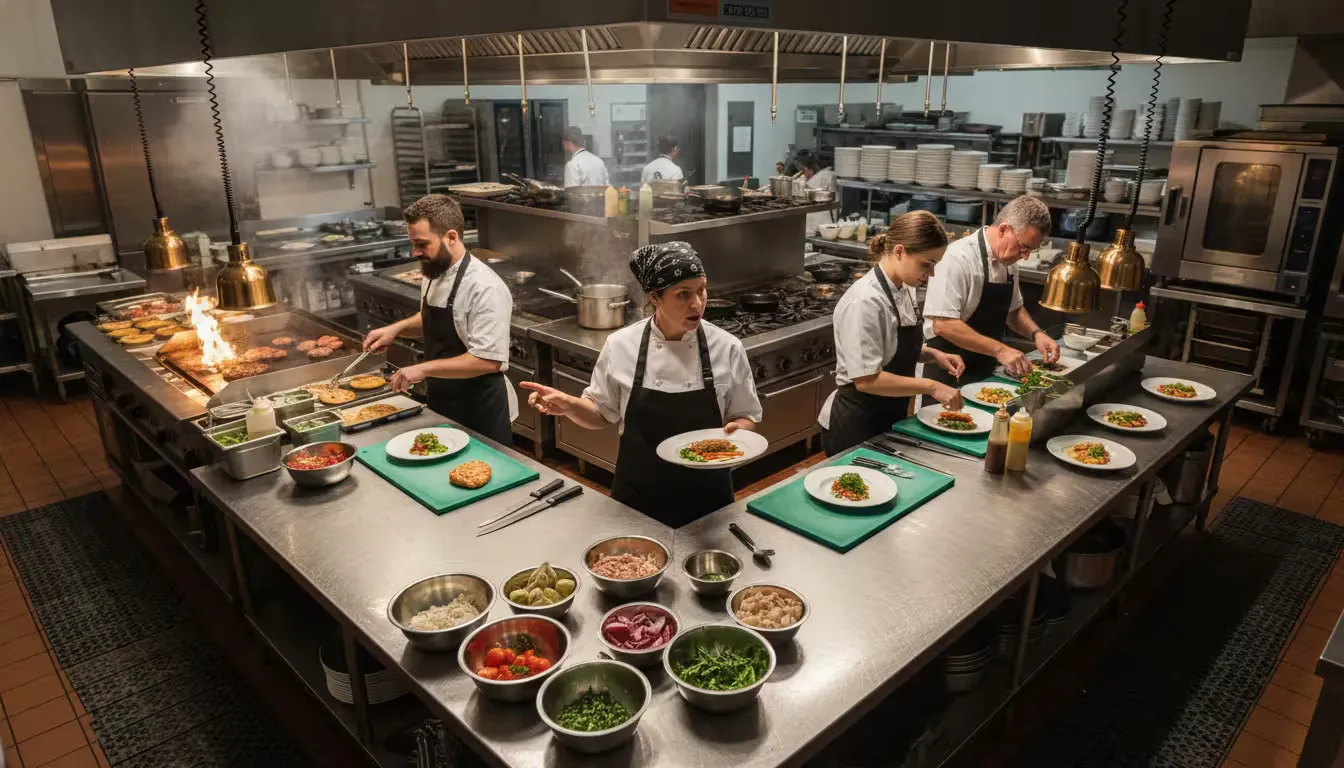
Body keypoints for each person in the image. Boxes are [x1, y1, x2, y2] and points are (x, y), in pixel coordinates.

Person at [521, 242, 761, 527]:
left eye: (701, 290)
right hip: (636, 498)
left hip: (710, 498)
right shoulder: (622, 345)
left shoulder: (727, 347)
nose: (697, 303)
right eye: (683, 294)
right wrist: (570, 405)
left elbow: (747, 415)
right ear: (655, 298)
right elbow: (601, 414)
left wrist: (737, 433)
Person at [362, 194, 517, 445]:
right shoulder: (434, 271)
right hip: (442, 401)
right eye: (413, 243)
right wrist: (397, 329)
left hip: (480, 409)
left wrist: (422, 369)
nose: (415, 252)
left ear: (451, 237)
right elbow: (431, 318)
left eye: (422, 244)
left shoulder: (484, 287)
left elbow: (488, 360)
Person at [818, 212, 966, 456]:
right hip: (856, 425)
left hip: (889, 417)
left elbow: (888, 347)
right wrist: (931, 386)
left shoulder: (902, 288)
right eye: (926, 264)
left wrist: (931, 354)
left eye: (935, 265)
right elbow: (866, 380)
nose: (931, 274)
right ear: (899, 252)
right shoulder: (865, 301)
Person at [923, 195, 1061, 390]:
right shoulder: (956, 258)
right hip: (949, 370)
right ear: (1004, 229)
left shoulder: (1009, 262)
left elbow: (1014, 311)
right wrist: (1001, 350)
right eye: (1024, 247)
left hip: (986, 370)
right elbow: (944, 325)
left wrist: (1037, 333)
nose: (1026, 256)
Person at [802, 154, 838, 233]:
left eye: (804, 171)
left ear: (809, 170)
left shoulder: (815, 181)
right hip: (826, 226)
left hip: (813, 226)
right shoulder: (830, 175)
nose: (804, 174)